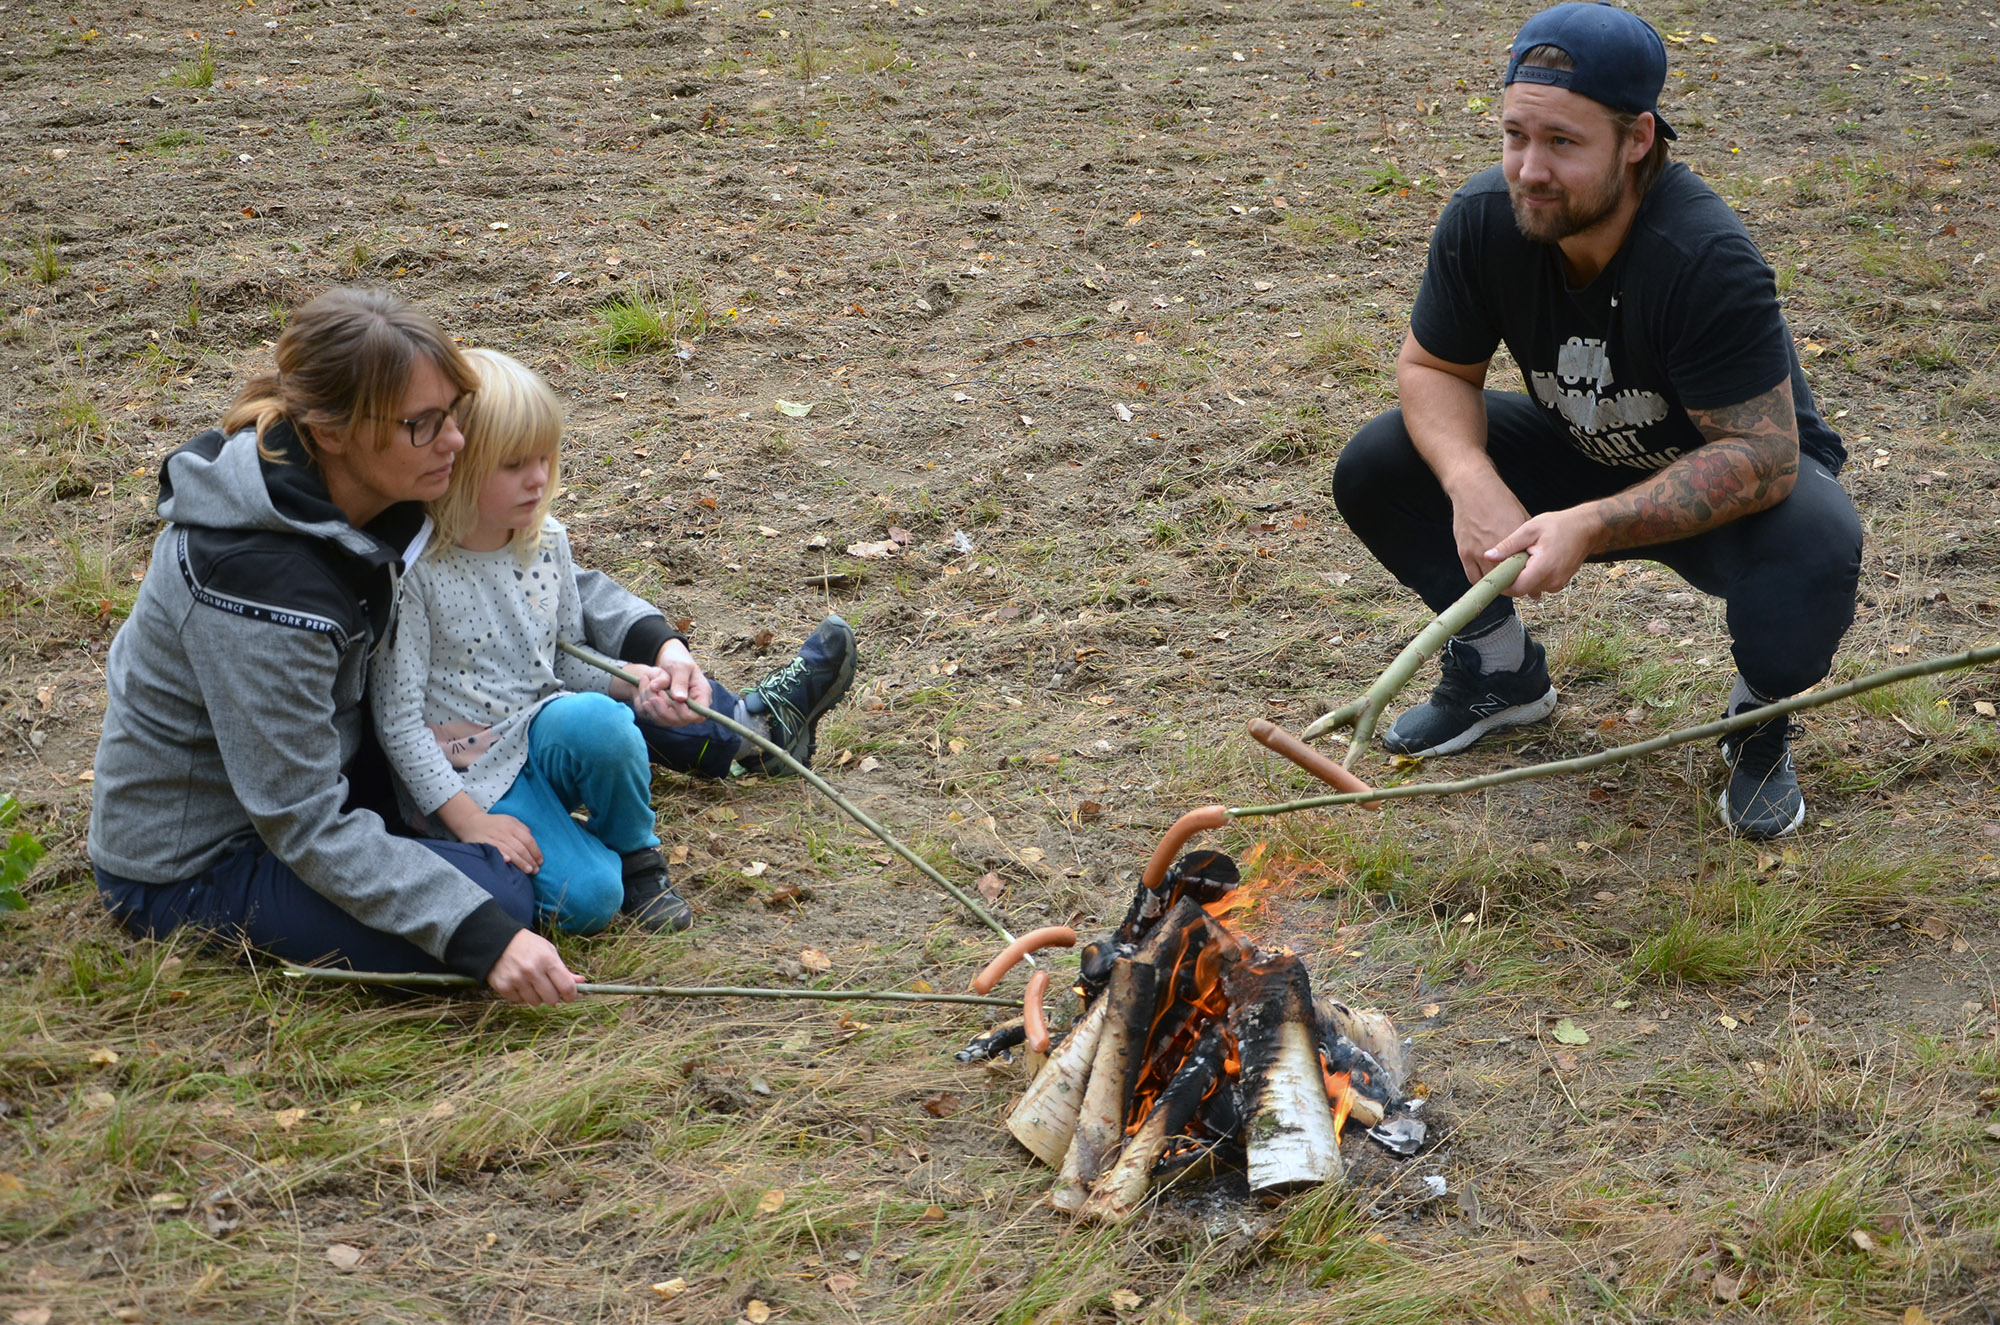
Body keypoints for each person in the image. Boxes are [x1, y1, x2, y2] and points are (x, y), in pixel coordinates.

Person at [1331, 2, 1861, 840]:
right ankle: (1500, 673)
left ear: (1637, 139)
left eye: (1563, 144)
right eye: (1515, 136)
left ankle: (1757, 724)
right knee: (1382, 461)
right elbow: (1433, 369)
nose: (1529, 170)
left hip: (1728, 482)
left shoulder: (1703, 257)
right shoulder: (1485, 221)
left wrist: (1591, 524)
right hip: (1579, 451)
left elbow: (1762, 454)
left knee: (1818, 538)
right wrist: (1473, 483)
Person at [369, 349, 857, 937]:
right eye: (514, 463)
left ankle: (638, 853)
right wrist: (469, 819)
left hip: (537, 729)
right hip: (466, 772)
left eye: (546, 458)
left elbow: (561, 667)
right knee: (594, 900)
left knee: (601, 720)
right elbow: (397, 723)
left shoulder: (544, 542)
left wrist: (632, 681)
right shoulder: (416, 575)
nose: (539, 479)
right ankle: (581, 853)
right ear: (456, 466)